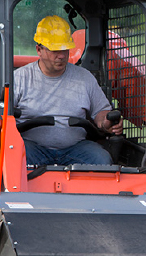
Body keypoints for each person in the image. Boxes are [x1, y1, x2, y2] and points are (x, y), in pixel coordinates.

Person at [13, 16, 121, 165]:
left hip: (75, 149)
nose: (62, 56)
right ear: (39, 49)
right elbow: (2, 117)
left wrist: (106, 122)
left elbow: (101, 111)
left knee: (101, 159)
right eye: (55, 50)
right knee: (15, 156)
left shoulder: (84, 78)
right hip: (33, 149)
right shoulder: (19, 78)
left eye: (65, 49)